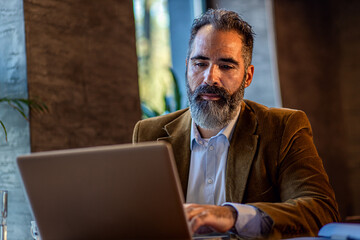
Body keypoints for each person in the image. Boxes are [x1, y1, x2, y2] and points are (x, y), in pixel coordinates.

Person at [132, 9, 340, 238]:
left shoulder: (283, 128)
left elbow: (320, 211)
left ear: (248, 76)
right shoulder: (148, 133)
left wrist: (231, 216)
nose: (210, 78)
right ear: (187, 66)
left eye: (226, 66)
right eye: (200, 63)